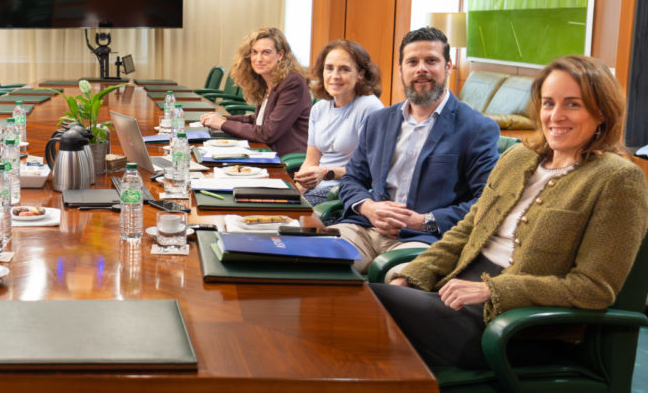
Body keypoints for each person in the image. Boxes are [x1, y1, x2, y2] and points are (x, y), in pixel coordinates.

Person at [273, 54, 648, 393]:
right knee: (358, 338)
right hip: (454, 298)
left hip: (515, 326)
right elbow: (465, 232)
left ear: (602, 112)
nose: (555, 116)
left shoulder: (617, 180)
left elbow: (593, 288)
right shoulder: (520, 159)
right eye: (548, 103)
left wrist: (495, 291)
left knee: (350, 306)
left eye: (572, 105)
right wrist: (415, 274)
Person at [334, 26, 499, 273]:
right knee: (318, 263)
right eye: (412, 62)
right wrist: (369, 208)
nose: (421, 68)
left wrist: (424, 222)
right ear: (401, 69)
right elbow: (352, 178)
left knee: (397, 280)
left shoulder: (477, 128)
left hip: (423, 239)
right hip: (364, 229)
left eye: (431, 61)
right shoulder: (378, 121)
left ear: (448, 67)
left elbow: (486, 202)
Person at [293, 39, 384, 207]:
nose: (335, 76)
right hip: (317, 189)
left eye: (344, 69)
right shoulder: (319, 108)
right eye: (329, 68)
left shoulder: (370, 107)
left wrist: (327, 172)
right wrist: (295, 192)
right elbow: (311, 161)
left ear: (360, 74)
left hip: (346, 192)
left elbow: (372, 170)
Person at [199, 26, 311, 157]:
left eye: (266, 52)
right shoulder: (267, 80)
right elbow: (258, 120)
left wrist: (222, 124)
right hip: (264, 150)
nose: (258, 59)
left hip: (283, 158)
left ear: (280, 55)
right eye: (254, 52)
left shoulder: (292, 83)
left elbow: (267, 133)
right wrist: (222, 118)